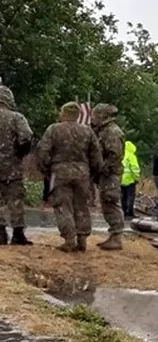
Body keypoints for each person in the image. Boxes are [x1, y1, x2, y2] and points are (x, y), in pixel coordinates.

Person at [36, 101, 104, 252]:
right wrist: (93, 173)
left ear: (64, 113)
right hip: (82, 173)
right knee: (82, 205)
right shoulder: (88, 131)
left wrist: (46, 170)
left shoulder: (53, 129)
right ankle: (82, 239)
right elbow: (96, 156)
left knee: (62, 205)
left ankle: (69, 239)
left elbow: (43, 152)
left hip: (59, 172)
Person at [0, 85, 34, 246]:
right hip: (12, 166)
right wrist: (20, 153)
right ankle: (18, 233)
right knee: (16, 199)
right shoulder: (16, 117)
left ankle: (0, 233)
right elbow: (26, 137)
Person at [89, 103, 125, 250]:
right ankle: (114, 235)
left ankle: (116, 237)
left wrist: (103, 168)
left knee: (110, 202)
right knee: (106, 202)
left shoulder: (112, 132)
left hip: (110, 174)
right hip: (106, 173)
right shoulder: (103, 131)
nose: (93, 118)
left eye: (95, 115)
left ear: (103, 116)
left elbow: (114, 154)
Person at [120, 140, 139, 219]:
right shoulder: (131, 156)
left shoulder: (121, 155)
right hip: (130, 180)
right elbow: (135, 168)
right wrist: (136, 178)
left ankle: (123, 212)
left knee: (123, 197)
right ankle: (129, 213)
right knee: (130, 197)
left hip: (120, 180)